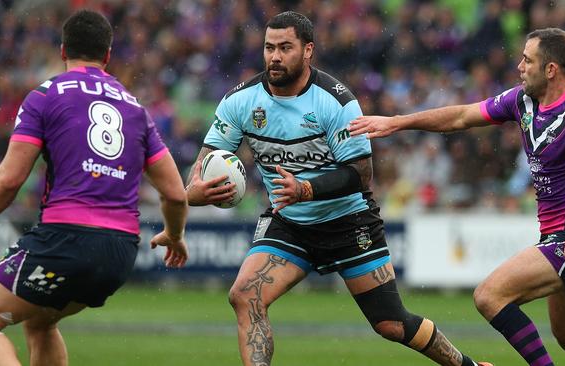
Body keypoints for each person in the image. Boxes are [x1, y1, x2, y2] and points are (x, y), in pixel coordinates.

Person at [186, 10, 491, 366]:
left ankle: (466, 365)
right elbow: (200, 170)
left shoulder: (335, 101)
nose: (275, 57)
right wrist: (195, 194)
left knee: (390, 323)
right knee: (244, 295)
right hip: (290, 221)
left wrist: (306, 189)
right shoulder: (240, 101)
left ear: (308, 50)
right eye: (269, 47)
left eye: (285, 48)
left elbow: (361, 174)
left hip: (348, 220)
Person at [349, 28, 565, 366]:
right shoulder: (522, 101)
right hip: (561, 239)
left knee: (489, 296)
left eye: (528, 60)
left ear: (551, 69)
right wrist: (398, 122)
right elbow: (461, 116)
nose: (519, 65)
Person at [0, 10, 191, 365]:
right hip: (119, 254)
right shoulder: (136, 108)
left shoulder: (45, 95)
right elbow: (176, 193)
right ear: (107, 56)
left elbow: (9, 180)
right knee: (40, 321)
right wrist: (175, 235)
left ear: (61, 51)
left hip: (65, 239)